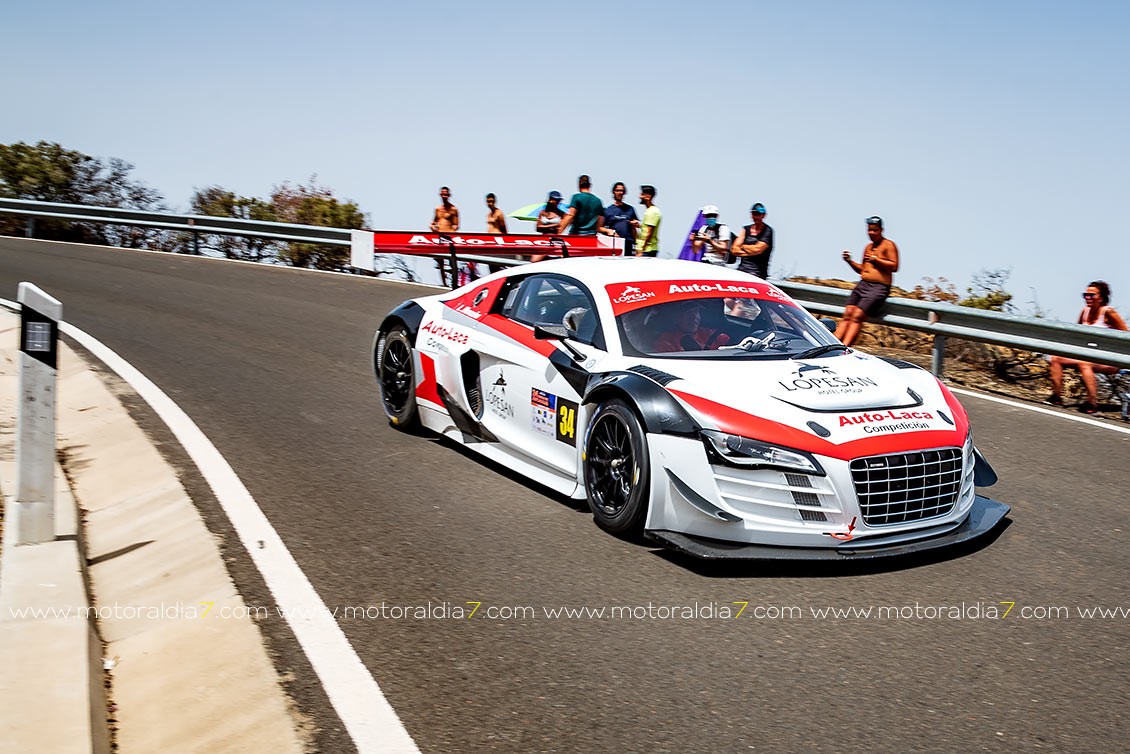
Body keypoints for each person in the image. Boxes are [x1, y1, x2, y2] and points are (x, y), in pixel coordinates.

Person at [1047, 280, 1128, 414]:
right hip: (1088, 355)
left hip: (1109, 360)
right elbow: (1078, 334)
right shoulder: (1085, 312)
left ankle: (1092, 403)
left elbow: (1126, 335)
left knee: (1085, 363)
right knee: (1056, 359)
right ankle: (1056, 397)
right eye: (1085, 295)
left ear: (1101, 298)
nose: (1087, 298)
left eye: (1091, 295)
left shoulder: (1108, 312)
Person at [834, 216, 900, 347]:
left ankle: (844, 348)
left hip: (878, 287)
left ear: (881, 230)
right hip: (863, 284)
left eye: (875, 230)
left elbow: (894, 266)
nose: (871, 233)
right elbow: (863, 269)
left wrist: (876, 260)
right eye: (869, 230)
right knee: (848, 314)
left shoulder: (889, 245)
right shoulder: (868, 247)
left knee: (857, 316)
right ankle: (833, 345)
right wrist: (849, 261)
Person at [652, 301, 730, 352]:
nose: (694, 317)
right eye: (689, 312)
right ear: (677, 317)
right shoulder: (667, 340)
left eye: (696, 312)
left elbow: (730, 347)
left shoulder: (709, 333)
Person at [731, 203, 774, 278]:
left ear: (763, 215)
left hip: (757, 274)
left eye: (758, 214)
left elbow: (757, 250)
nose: (756, 217)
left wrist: (742, 246)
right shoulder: (746, 229)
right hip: (741, 270)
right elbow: (734, 249)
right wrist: (751, 252)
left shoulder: (767, 231)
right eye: (754, 214)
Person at [429, 186, 460, 286]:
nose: (444, 196)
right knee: (440, 262)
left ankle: (454, 283)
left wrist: (451, 232)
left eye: (446, 194)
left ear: (449, 195)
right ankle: (444, 284)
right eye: (443, 194)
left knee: (452, 261)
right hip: (440, 237)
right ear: (440, 195)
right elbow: (433, 222)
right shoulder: (437, 209)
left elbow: (456, 225)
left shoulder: (453, 209)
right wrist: (432, 227)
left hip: (449, 237)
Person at [600, 181, 639, 255]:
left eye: (622, 191)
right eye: (618, 190)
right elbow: (599, 228)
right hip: (614, 244)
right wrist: (608, 231)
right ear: (614, 192)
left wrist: (637, 245)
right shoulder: (608, 210)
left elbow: (634, 229)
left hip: (628, 244)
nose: (620, 193)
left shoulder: (630, 209)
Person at [532, 190, 566, 263]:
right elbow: (537, 228)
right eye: (556, 200)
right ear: (550, 200)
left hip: (556, 239)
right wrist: (554, 225)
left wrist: (545, 226)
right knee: (534, 260)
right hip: (544, 239)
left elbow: (560, 227)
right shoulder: (542, 212)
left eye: (558, 200)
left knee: (562, 259)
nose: (557, 202)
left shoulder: (562, 214)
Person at [484, 193, 507, 273]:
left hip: (498, 241)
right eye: (488, 201)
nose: (490, 203)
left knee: (497, 264)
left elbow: (504, 228)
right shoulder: (488, 214)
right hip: (490, 241)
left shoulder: (499, 213)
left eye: (492, 201)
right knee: (490, 265)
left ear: (495, 201)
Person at [637, 185, 661, 257]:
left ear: (648, 196)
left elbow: (649, 233)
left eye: (642, 194)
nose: (639, 196)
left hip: (648, 250)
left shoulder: (652, 212)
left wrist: (642, 250)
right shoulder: (649, 211)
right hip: (646, 249)